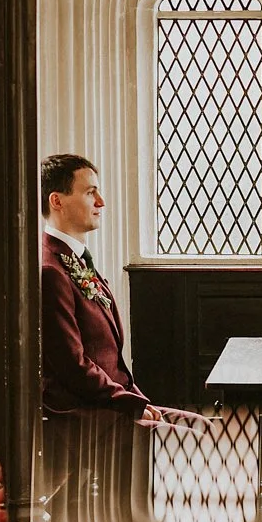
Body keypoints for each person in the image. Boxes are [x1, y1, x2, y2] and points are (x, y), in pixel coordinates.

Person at [38, 152, 202, 429]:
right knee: (200, 442)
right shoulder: (50, 271)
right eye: (90, 192)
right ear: (57, 201)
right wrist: (130, 405)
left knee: (203, 427)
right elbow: (72, 366)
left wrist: (139, 400)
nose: (100, 201)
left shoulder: (76, 260)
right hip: (84, 414)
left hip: (113, 401)